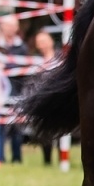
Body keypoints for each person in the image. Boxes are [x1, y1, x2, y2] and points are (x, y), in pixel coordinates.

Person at [0, 15, 31, 163]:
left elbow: (22, 69)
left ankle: (16, 157)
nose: (10, 28)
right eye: (7, 25)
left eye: (13, 26)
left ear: (17, 28)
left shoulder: (21, 47)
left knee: (16, 127)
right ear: (2, 27)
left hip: (16, 91)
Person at [31, 29, 61, 165]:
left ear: (50, 41)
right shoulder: (35, 60)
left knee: (62, 131)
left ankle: (62, 160)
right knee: (45, 132)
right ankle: (47, 161)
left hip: (59, 99)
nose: (41, 44)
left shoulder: (61, 57)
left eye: (43, 41)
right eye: (39, 42)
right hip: (44, 99)